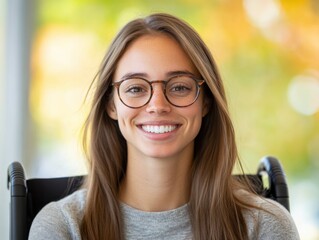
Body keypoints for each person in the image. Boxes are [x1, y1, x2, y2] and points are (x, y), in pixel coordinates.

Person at [29, 13, 300, 240]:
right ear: (111, 106)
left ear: (205, 102)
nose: (157, 105)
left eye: (179, 86)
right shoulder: (63, 227)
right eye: (135, 88)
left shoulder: (263, 227)